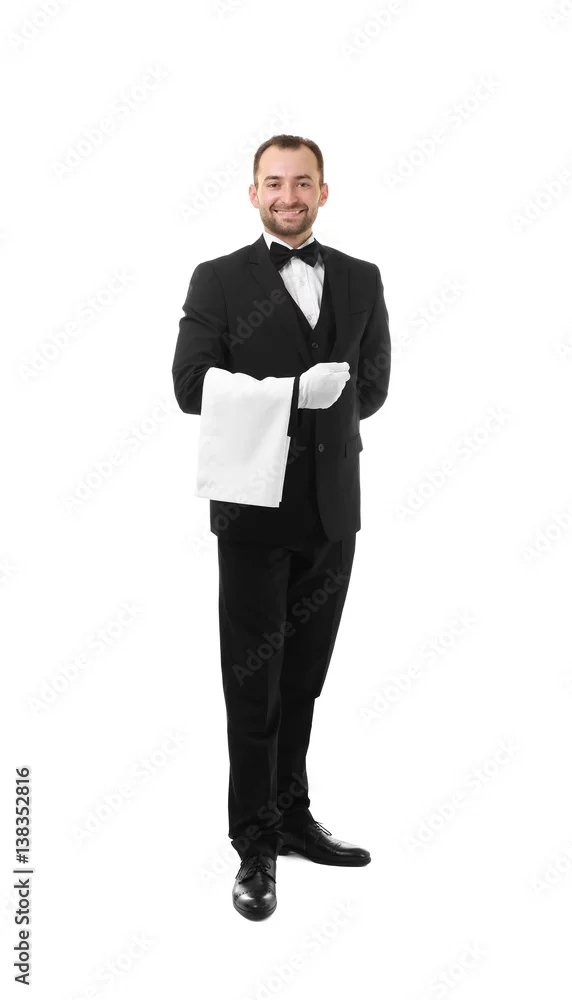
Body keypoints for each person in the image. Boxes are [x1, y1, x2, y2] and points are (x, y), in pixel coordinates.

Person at [171, 134, 391, 920]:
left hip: (334, 509)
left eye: (303, 183)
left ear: (323, 191)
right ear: (254, 192)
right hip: (251, 509)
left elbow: (372, 386)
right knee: (252, 680)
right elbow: (190, 385)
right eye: (274, 183)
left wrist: (332, 408)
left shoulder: (361, 277)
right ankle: (254, 842)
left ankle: (293, 816)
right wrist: (294, 394)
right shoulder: (219, 278)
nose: (288, 196)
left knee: (304, 677)